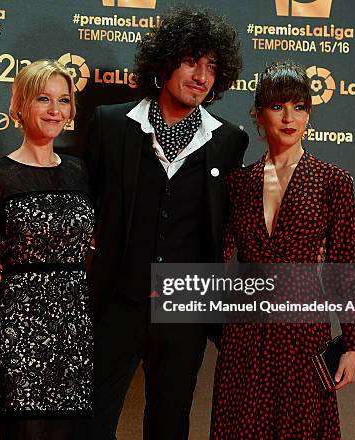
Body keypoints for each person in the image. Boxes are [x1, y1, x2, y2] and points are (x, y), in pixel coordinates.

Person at [84, 6, 248, 439]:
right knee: (91, 423)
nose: (201, 76)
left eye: (212, 67)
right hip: (117, 300)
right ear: (165, 60)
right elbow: (85, 208)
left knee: (169, 427)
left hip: (186, 308)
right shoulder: (113, 124)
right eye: (191, 61)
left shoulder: (229, 140)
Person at [210, 60, 355, 439]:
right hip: (245, 336)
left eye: (299, 106)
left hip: (303, 334)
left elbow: (342, 267)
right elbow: (218, 254)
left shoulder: (333, 181)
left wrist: (352, 345)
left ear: (309, 112)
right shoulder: (239, 183)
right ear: (259, 114)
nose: (289, 117)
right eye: (277, 106)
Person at [0, 59, 94, 440]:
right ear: (20, 106)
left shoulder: (78, 171)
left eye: (64, 100)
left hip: (74, 332)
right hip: (20, 331)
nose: (55, 110)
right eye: (43, 99)